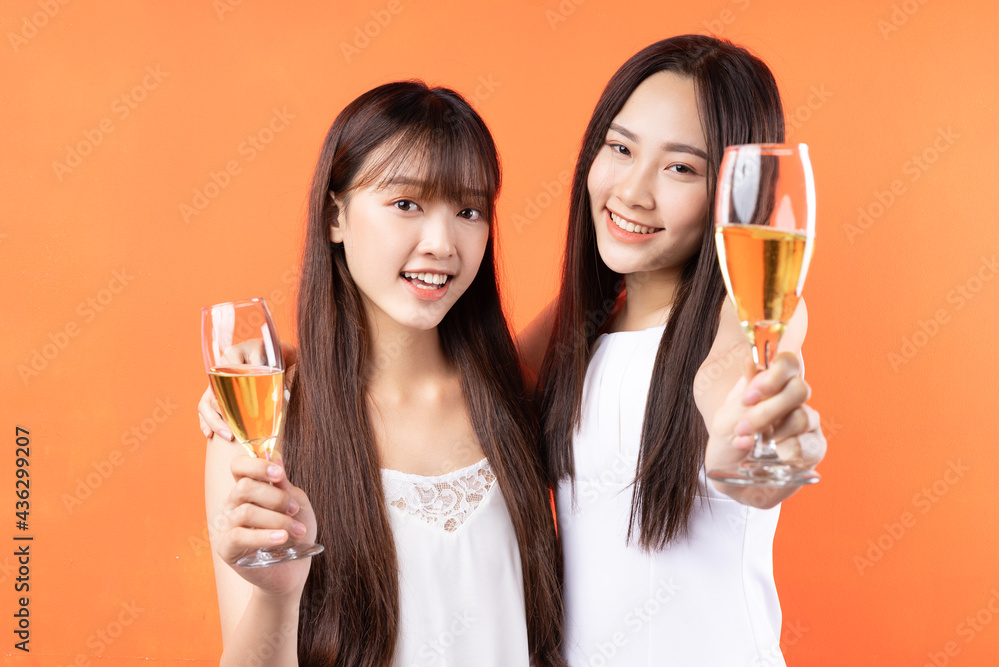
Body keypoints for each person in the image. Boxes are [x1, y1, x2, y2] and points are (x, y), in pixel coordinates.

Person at [202, 81, 565, 667]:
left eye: (469, 211)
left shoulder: (512, 394)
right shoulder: (260, 434)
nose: (443, 242)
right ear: (335, 216)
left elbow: (601, 291)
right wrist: (279, 596)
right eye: (406, 204)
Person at [531, 35, 825, 666]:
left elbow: (733, 400)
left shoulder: (749, 311)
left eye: (681, 168)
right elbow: (454, 382)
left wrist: (752, 440)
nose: (633, 192)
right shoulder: (579, 326)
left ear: (731, 190)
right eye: (620, 148)